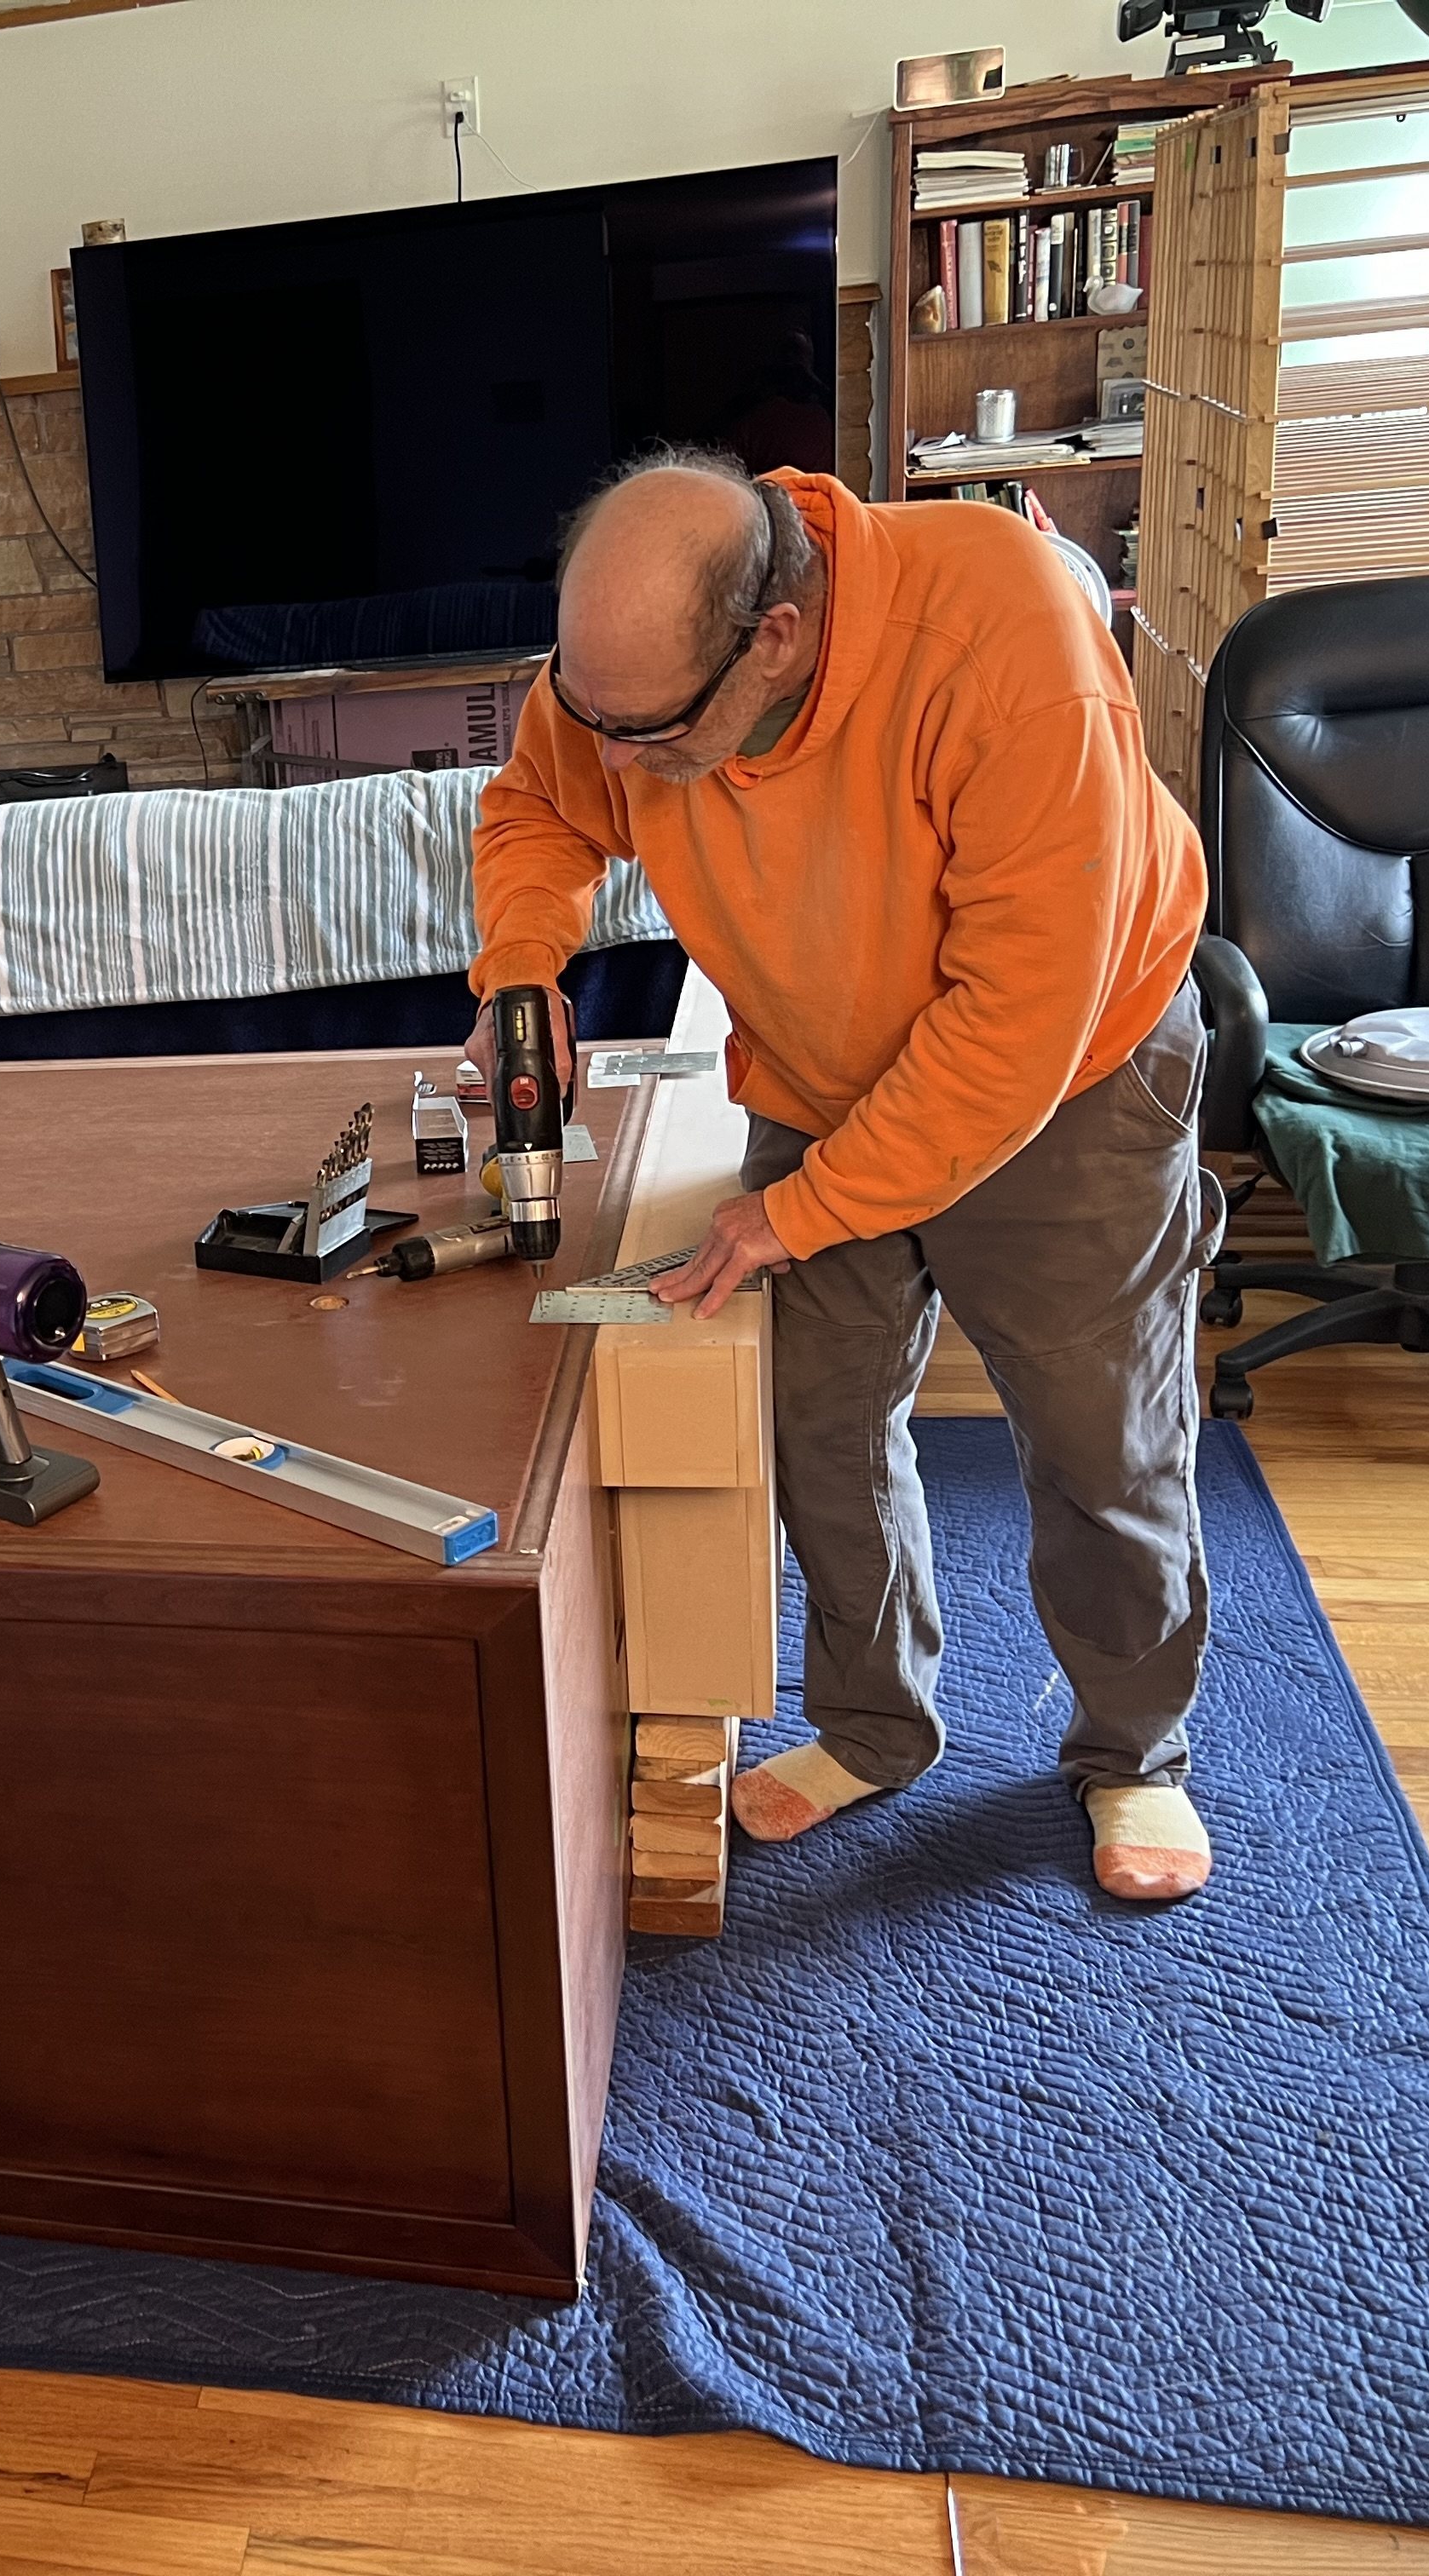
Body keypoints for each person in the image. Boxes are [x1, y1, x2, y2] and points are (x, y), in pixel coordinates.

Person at [470, 447, 1215, 1901]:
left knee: (1099, 1440)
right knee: (818, 1422)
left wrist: (793, 1213)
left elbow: (1012, 1025)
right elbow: (540, 811)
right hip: (821, 1073)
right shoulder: (630, 678)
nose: (616, 767)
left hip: (1069, 1077)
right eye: (592, 718)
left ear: (780, 637)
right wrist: (522, 968)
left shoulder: (1004, 642)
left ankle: (1135, 1752)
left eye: (653, 738)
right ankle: (876, 1725)